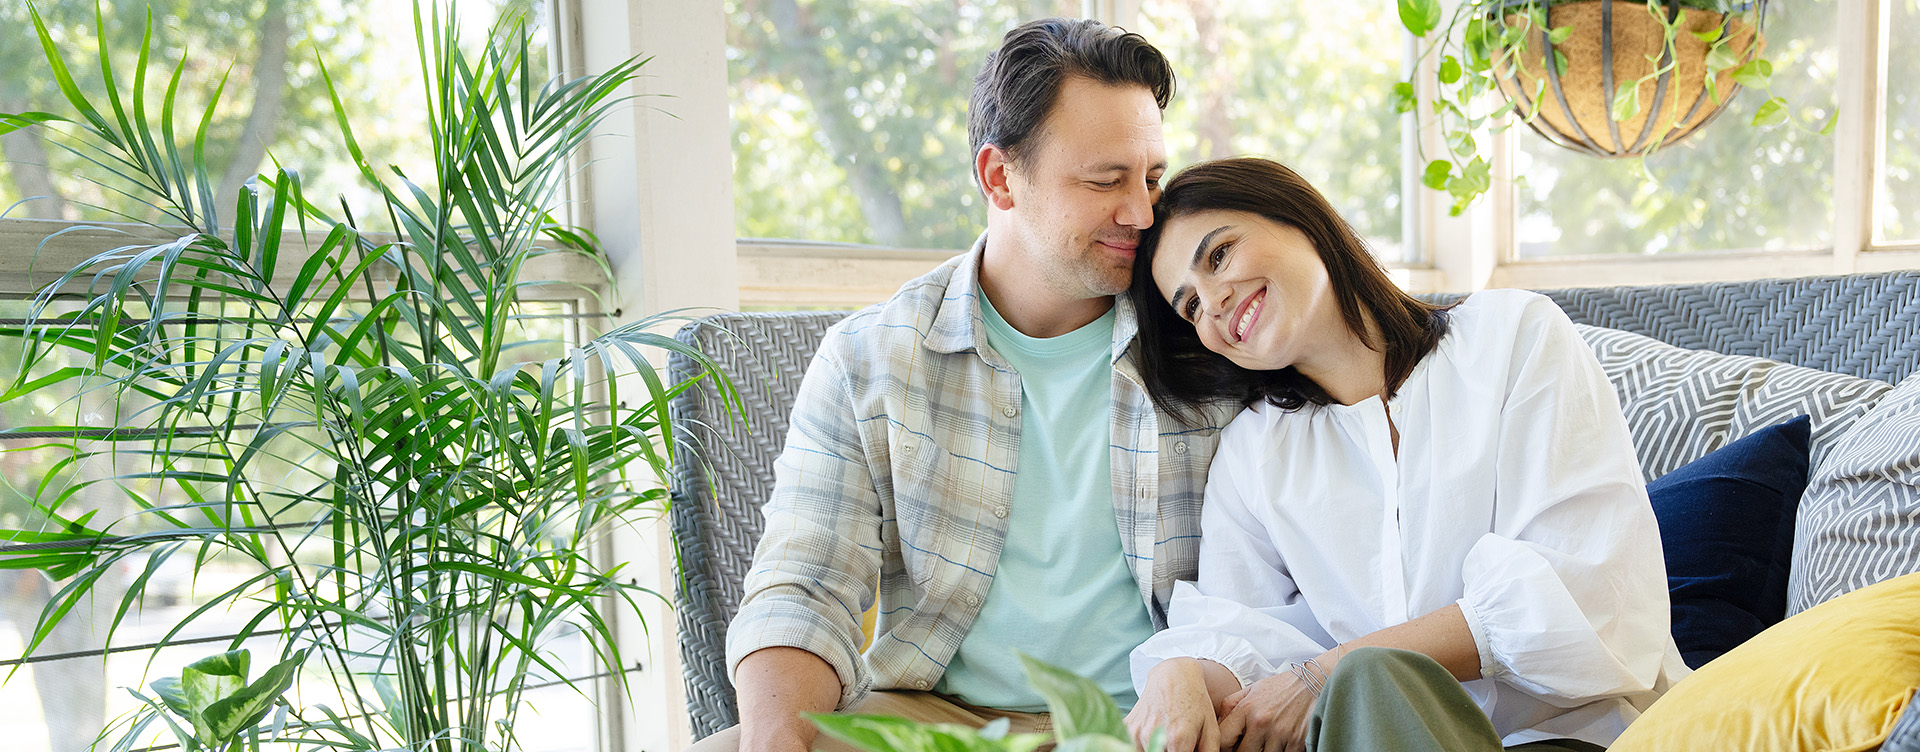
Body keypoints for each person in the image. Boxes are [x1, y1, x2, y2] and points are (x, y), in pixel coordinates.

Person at [695, 19, 1235, 752]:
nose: (1141, 212)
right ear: (999, 177)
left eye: (1151, 178)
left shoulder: (1206, 331)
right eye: (1106, 181)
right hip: (945, 716)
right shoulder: (870, 357)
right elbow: (803, 585)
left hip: (1154, 719)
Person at [1119, 158, 1689, 752]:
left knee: (1371, 679)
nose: (1213, 303)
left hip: (1570, 738)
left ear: (1300, 217)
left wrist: (1331, 671)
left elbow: (1582, 590)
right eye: (1190, 306)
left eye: (1219, 256)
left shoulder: (1513, 337)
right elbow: (1243, 634)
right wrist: (1177, 674)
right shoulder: (1252, 453)